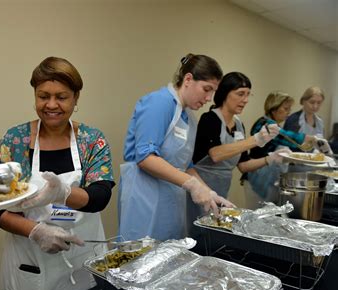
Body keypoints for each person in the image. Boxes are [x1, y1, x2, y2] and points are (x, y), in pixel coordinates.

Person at [0, 56, 115, 290]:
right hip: (30, 262)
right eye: (43, 96)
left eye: (62, 97)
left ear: (76, 98)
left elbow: (100, 197)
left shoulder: (91, 140)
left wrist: (64, 193)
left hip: (84, 259)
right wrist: (35, 231)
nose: (51, 105)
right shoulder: (15, 141)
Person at [118, 53, 233, 242]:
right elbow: (145, 158)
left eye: (213, 92)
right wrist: (191, 184)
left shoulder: (189, 118)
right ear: (188, 79)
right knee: (141, 259)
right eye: (206, 89)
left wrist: (210, 193)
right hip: (145, 197)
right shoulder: (159, 103)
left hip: (171, 202)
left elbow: (186, 166)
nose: (209, 98)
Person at [186, 72, 287, 237]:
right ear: (225, 93)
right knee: (195, 234)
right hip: (199, 192)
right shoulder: (210, 119)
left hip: (220, 192)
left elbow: (244, 165)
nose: (245, 100)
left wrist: (271, 158)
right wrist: (256, 139)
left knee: (213, 235)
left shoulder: (239, 125)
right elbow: (216, 154)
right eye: (240, 94)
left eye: (248, 95)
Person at [241, 91, 317, 208]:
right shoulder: (266, 125)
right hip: (255, 176)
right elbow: (286, 137)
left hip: (266, 176)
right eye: (286, 109)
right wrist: (309, 139)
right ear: (273, 108)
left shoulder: (272, 124)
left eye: (289, 109)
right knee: (255, 216)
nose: (288, 113)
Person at [283, 86, 333, 154]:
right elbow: (291, 144)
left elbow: (322, 144)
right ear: (303, 101)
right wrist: (312, 151)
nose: (315, 106)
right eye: (312, 102)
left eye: (319, 103)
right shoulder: (293, 120)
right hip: (296, 160)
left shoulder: (320, 121)